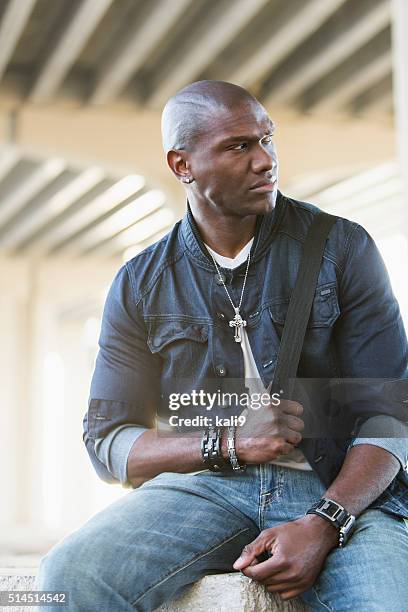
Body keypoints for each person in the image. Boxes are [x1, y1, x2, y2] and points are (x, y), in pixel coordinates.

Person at [36, 81, 408, 611]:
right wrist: (228, 442)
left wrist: (326, 521)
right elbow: (108, 442)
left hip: (340, 488)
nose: (265, 161)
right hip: (207, 489)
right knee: (64, 576)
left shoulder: (342, 247)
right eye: (238, 147)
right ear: (181, 165)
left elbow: (391, 415)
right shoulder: (140, 282)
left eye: (267, 140)